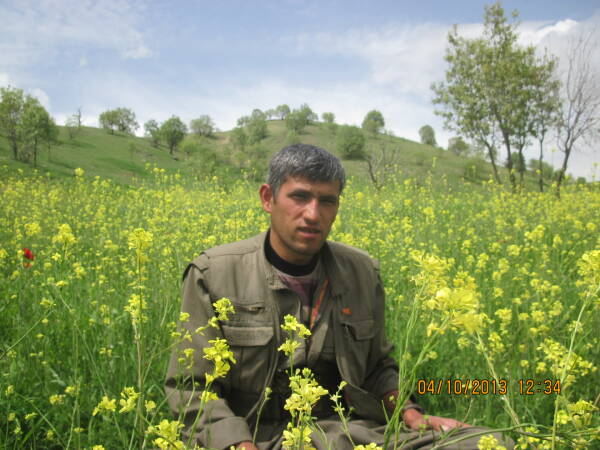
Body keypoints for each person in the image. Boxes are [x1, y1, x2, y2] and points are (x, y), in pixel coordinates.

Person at [165, 144, 513, 449]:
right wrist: (238, 445)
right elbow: (191, 389)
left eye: (327, 201)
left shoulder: (362, 272)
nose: (313, 214)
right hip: (258, 437)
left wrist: (411, 415)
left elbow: (378, 369)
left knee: (494, 443)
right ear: (268, 198)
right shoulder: (214, 274)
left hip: (348, 433)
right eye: (300, 197)